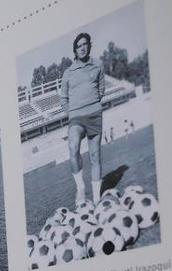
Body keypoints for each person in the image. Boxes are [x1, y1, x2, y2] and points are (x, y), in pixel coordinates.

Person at [61, 31, 106, 206]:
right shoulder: (68, 72)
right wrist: (71, 113)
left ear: (89, 45)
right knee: (73, 147)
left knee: (95, 156)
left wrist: (94, 104)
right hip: (76, 117)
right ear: (75, 50)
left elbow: (101, 89)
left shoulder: (98, 65)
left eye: (85, 44)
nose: (82, 48)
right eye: (79, 46)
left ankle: (97, 200)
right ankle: (80, 188)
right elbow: (63, 98)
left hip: (94, 114)